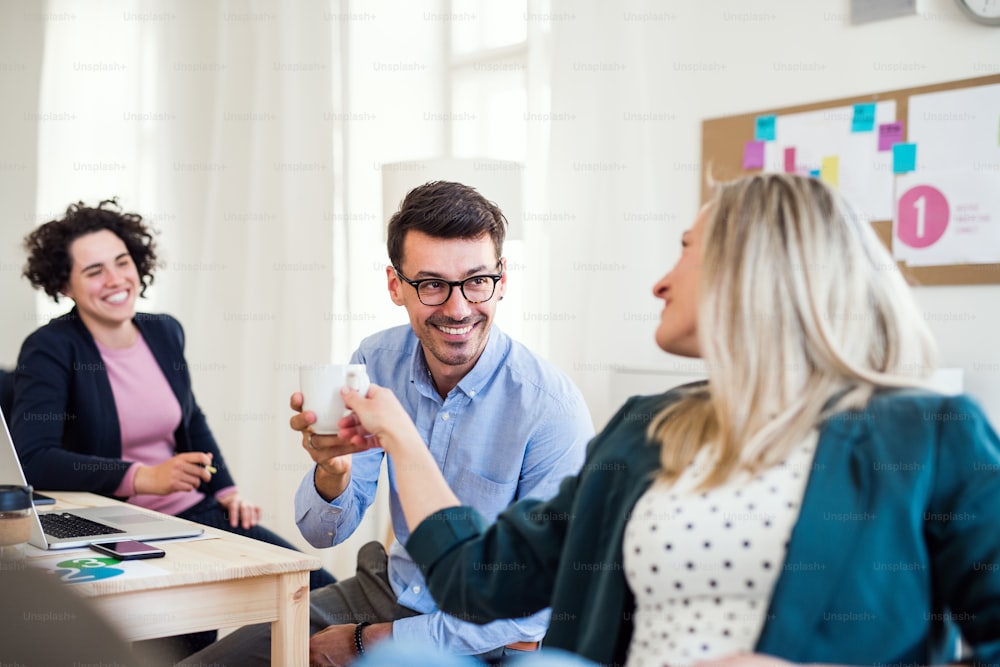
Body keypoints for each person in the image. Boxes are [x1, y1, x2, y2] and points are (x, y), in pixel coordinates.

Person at [334, 173, 1000, 667]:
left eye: (688, 248)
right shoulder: (648, 429)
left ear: (762, 271)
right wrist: (395, 429)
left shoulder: (928, 436)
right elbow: (475, 577)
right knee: (401, 661)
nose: (660, 281)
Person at [181, 180, 594, 666]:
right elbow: (323, 535)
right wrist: (333, 475)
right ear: (396, 286)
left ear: (502, 280)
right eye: (432, 284)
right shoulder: (376, 360)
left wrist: (369, 640)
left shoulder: (551, 407)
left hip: (490, 630)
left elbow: (530, 608)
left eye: (476, 281)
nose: (458, 308)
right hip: (390, 585)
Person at [10, 199, 335, 658]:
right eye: (94, 271)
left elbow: (191, 421)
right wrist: (142, 476)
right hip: (115, 528)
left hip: (196, 516)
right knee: (176, 652)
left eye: (122, 262)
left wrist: (226, 490)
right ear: (65, 284)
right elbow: (33, 458)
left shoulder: (165, 332)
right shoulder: (50, 347)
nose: (116, 279)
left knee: (325, 601)